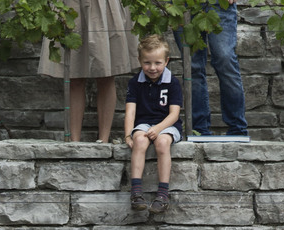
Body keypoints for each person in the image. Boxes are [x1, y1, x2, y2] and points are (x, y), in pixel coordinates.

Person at [37, 0, 138, 143]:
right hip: (70, 4)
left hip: (104, 5)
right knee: (74, 75)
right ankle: (73, 141)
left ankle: (103, 141)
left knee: (106, 74)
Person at [124, 35, 182, 215]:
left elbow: (174, 114)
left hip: (167, 125)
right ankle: (136, 193)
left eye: (158, 63)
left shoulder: (173, 82)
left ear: (166, 61)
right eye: (147, 63)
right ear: (140, 61)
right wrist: (128, 134)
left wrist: (158, 129)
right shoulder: (135, 82)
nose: (152, 68)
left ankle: (162, 195)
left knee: (162, 143)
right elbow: (130, 111)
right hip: (143, 123)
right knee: (140, 141)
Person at [179, 1, 248, 137]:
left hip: (219, 3)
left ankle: (237, 129)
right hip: (183, 4)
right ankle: (199, 130)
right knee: (192, 66)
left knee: (225, 60)